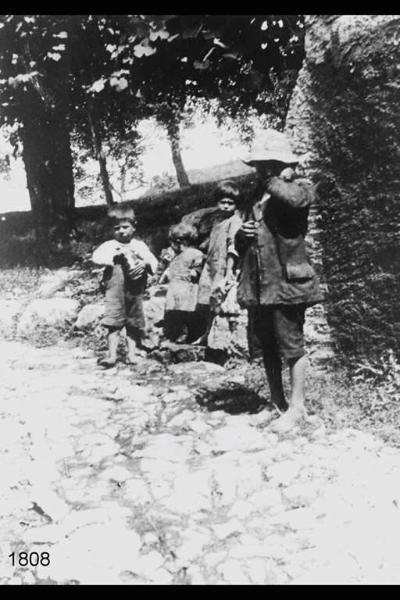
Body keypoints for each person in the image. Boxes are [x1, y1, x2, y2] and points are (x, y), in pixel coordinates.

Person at [235, 130, 323, 432]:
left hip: (287, 283)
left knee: (292, 345)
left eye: (267, 164)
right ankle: (276, 402)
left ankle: (297, 407)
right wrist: (241, 235)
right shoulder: (256, 195)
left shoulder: (300, 188)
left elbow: (296, 201)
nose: (260, 170)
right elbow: (243, 239)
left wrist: (278, 178)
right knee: (267, 345)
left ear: (282, 164)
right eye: (259, 165)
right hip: (260, 284)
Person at [92, 205, 158, 367]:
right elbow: (97, 257)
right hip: (115, 291)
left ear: (133, 227)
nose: (121, 231)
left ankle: (132, 354)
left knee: (133, 322)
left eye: (125, 227)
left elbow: (152, 261)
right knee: (113, 321)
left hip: (135, 290)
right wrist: (115, 256)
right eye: (117, 228)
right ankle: (112, 355)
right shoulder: (109, 245)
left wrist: (144, 263)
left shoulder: (139, 245)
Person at [195, 180, 243, 344]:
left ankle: (216, 338)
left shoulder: (234, 221)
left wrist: (229, 270)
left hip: (223, 266)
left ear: (236, 205)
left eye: (231, 203)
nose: (226, 206)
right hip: (211, 266)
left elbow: (232, 246)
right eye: (223, 202)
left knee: (219, 300)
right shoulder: (217, 221)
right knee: (208, 301)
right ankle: (206, 333)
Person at [159, 223, 204, 343]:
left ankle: (186, 333)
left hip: (186, 285)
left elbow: (198, 267)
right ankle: (174, 332)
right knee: (173, 310)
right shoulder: (172, 254)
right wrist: (165, 269)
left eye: (182, 241)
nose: (178, 244)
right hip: (174, 285)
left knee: (185, 310)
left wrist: (194, 272)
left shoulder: (195, 253)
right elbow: (167, 268)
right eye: (175, 241)